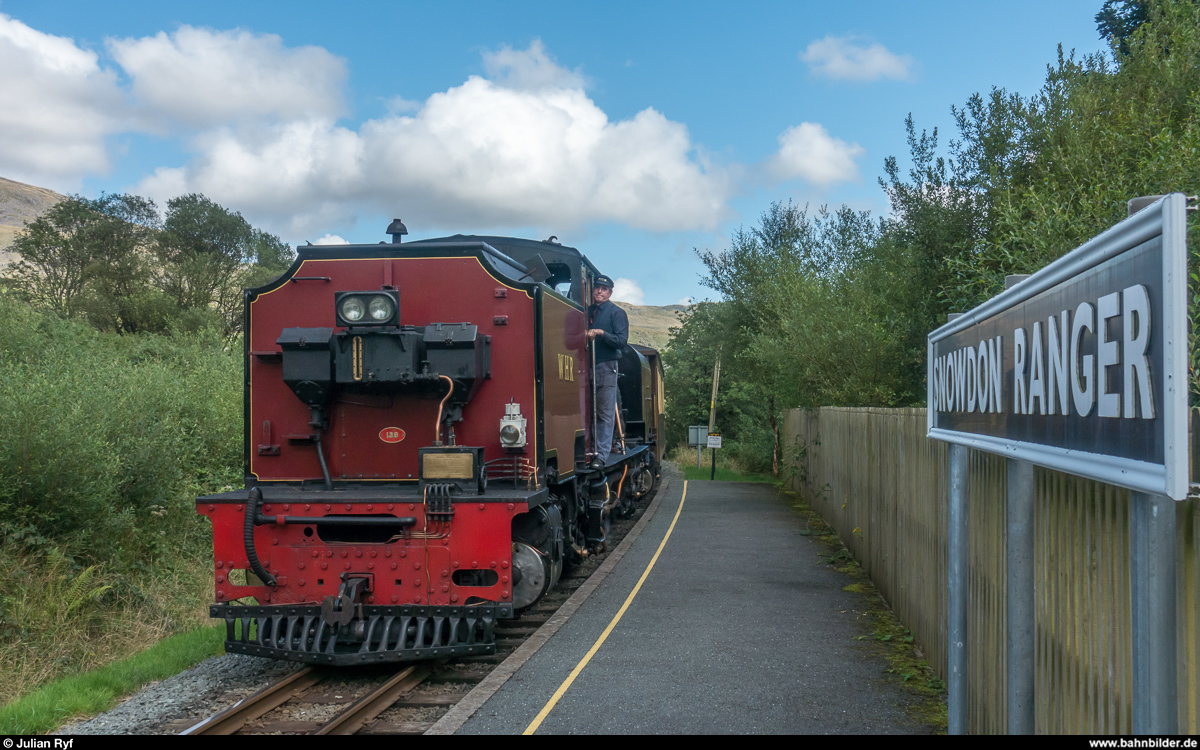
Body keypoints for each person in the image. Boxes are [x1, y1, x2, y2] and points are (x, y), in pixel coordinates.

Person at [586, 275, 628, 469]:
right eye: (597, 288)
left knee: (604, 412)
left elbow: (621, 341)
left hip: (606, 365)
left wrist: (602, 333)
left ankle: (601, 455)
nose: (599, 291)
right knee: (588, 410)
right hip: (585, 365)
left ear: (610, 293)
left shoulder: (616, 313)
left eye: (604, 289)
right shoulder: (588, 312)